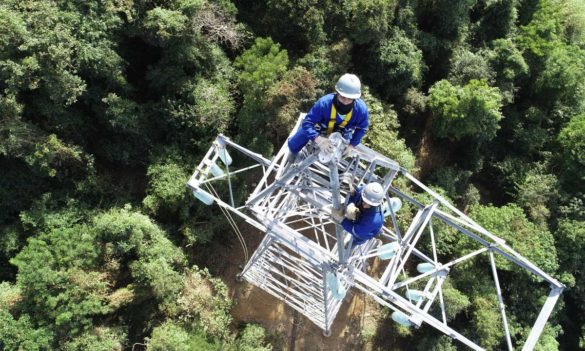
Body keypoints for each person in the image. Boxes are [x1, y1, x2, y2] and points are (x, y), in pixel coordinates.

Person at [287, 73, 369, 159]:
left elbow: (362, 128)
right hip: (322, 126)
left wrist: (351, 145)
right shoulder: (324, 103)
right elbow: (308, 123)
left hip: (343, 132)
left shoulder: (361, 110)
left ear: (355, 98)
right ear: (337, 93)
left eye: (350, 99)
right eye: (342, 97)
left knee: (343, 151)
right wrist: (319, 139)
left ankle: (332, 162)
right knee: (297, 139)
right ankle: (293, 152)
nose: (345, 102)